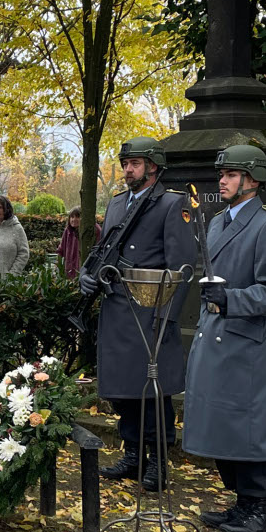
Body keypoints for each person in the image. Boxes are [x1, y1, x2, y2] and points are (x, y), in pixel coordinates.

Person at [183, 143, 266, 532]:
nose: (222, 180)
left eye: (230, 174)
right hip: (216, 337)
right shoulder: (216, 222)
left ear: (252, 179)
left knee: (249, 427)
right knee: (224, 424)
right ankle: (241, 503)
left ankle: (258, 510)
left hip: (247, 343)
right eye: (222, 175)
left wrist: (232, 299)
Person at [82, 139, 197, 487]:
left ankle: (158, 462)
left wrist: (168, 318)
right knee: (122, 389)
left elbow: (184, 266)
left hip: (150, 312)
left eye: (134, 163)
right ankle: (133, 455)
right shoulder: (118, 204)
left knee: (153, 391)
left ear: (153, 167)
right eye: (125, 163)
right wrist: (87, 278)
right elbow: (104, 251)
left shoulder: (172, 204)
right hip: (117, 308)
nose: (127, 170)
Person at [57, 205, 99, 279]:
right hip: (69, 272)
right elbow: (61, 250)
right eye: (72, 217)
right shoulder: (68, 231)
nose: (74, 219)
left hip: (86, 273)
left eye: (77, 217)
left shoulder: (94, 229)